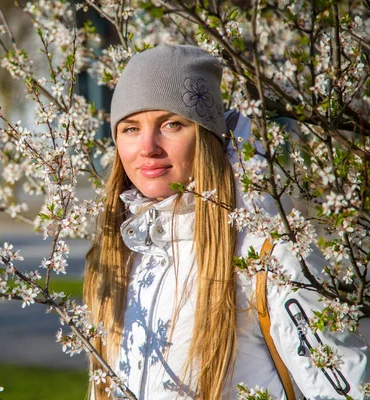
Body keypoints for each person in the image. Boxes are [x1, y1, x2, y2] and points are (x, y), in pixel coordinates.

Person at [83, 44, 369, 399]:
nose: (148, 147)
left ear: (207, 136)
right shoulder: (120, 257)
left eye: (171, 124)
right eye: (130, 128)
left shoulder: (268, 255)